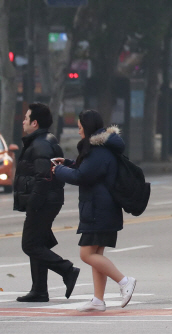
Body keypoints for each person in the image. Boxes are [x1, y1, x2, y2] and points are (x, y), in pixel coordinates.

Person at [53, 110, 136, 312]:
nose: (78, 129)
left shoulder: (99, 151)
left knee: (86, 253)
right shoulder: (102, 148)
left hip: (99, 209)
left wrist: (57, 171)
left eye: (80, 126)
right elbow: (89, 170)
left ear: (87, 127)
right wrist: (69, 164)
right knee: (96, 253)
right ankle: (98, 300)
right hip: (101, 208)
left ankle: (125, 281)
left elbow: (83, 176)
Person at [13, 103, 80, 302]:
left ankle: (67, 269)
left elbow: (43, 177)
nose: (23, 121)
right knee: (38, 242)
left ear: (35, 122)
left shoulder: (41, 144)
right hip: (47, 200)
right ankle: (39, 290)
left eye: (26, 118)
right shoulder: (40, 140)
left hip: (43, 201)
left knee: (30, 245)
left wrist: (33, 202)